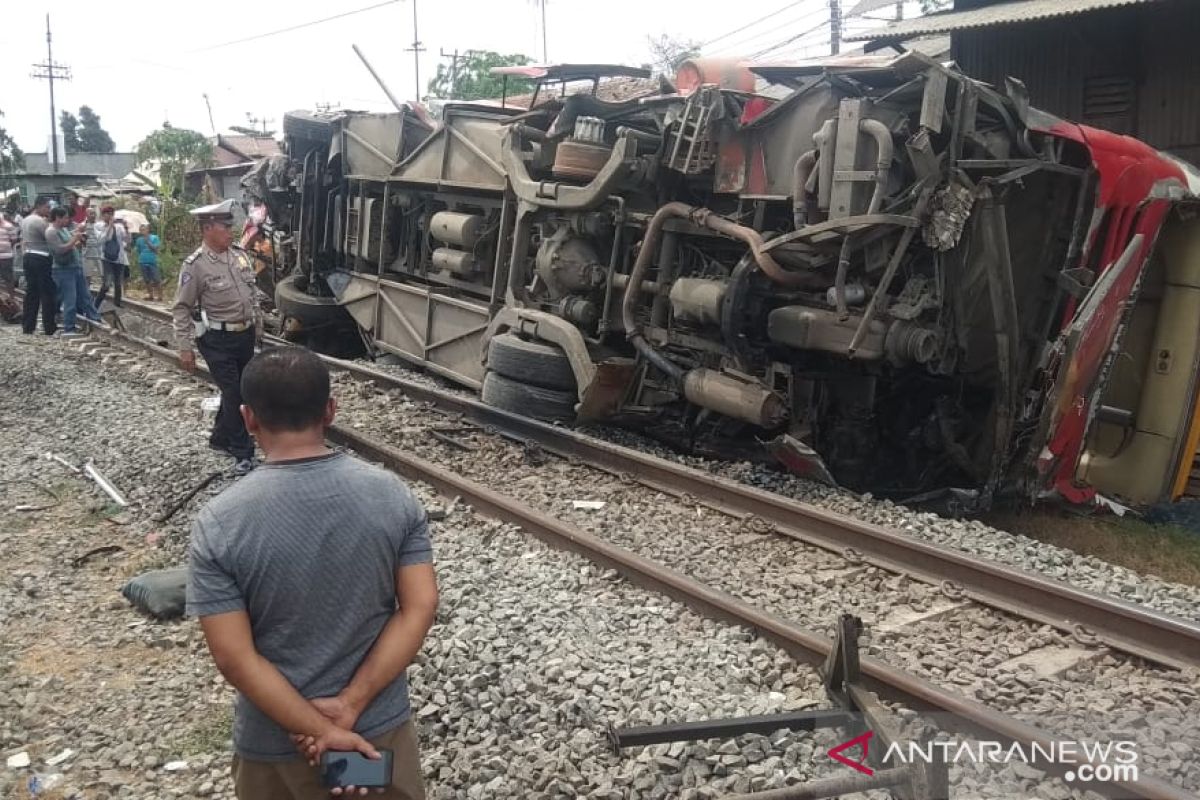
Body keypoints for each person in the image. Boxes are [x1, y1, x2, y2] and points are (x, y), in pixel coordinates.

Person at [186, 347, 436, 800]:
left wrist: (315, 728)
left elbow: (235, 658)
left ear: (248, 419)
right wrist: (347, 709)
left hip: (277, 748)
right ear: (330, 410)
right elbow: (419, 607)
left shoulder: (220, 522)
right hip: (371, 738)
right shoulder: (393, 497)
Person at [172, 199, 261, 471]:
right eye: (224, 226)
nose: (230, 231)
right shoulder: (195, 265)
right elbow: (181, 307)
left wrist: (258, 330)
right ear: (208, 228)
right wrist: (184, 347)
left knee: (238, 392)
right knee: (234, 392)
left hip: (243, 334)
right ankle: (242, 451)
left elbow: (251, 295)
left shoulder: (238, 256)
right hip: (217, 339)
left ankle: (220, 437)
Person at [46, 207, 101, 335]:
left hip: (75, 266)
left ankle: (95, 319)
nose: (67, 220)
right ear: (58, 218)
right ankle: (69, 327)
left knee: (85, 296)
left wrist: (78, 238)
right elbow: (60, 250)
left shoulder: (64, 230)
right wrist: (74, 239)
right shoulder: (51, 232)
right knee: (70, 299)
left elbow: (71, 245)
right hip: (63, 269)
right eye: (65, 217)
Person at [20, 197, 57, 335]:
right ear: (39, 206)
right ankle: (49, 326)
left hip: (28, 255)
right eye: (47, 207)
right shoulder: (40, 221)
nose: (48, 210)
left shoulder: (26, 220)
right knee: (46, 293)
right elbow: (50, 237)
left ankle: (28, 325)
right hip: (41, 257)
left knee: (31, 293)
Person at [94, 207, 129, 308]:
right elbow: (103, 239)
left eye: (111, 214)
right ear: (102, 215)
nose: (109, 216)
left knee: (118, 283)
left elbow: (127, 240)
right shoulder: (98, 226)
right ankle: (96, 304)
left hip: (119, 258)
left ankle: (117, 303)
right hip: (106, 258)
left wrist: (126, 228)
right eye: (107, 214)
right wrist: (110, 226)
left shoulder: (119, 227)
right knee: (107, 283)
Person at [134, 223, 163, 301]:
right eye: (141, 230)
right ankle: (151, 295)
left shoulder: (154, 237)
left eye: (144, 229)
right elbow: (139, 251)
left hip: (152, 261)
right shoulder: (139, 240)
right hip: (142, 261)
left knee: (157, 279)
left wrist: (148, 242)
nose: (142, 231)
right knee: (147, 280)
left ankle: (160, 296)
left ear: (148, 230)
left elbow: (156, 249)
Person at [81, 207, 102, 292]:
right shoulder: (82, 225)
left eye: (94, 213)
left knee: (103, 274)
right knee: (87, 275)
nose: (93, 215)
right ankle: (86, 294)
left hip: (99, 253)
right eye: (91, 213)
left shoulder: (100, 225)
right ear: (86, 214)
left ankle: (102, 293)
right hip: (87, 254)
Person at [0, 210, 17, 293]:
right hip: (6, 255)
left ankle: (11, 298)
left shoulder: (8, 226)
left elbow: (14, 240)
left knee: (8, 277)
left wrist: (6, 247)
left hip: (6, 256)